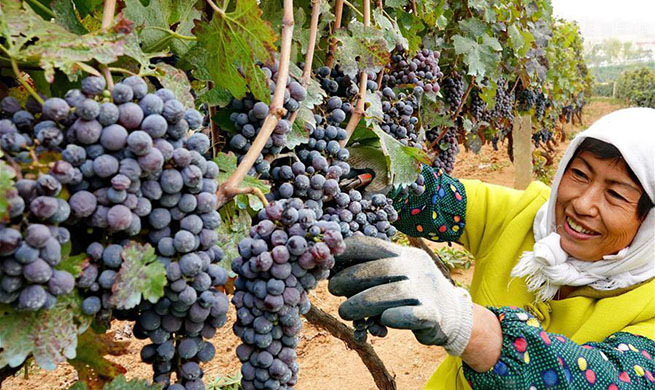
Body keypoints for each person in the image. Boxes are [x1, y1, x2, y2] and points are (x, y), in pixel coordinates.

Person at [329, 107, 655, 389]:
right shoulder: (527, 216)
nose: (583, 204)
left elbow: (614, 380)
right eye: (580, 174)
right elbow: (436, 199)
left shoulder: (649, 304)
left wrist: (472, 328)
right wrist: (383, 177)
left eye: (615, 195)